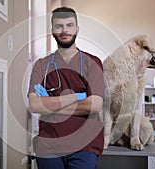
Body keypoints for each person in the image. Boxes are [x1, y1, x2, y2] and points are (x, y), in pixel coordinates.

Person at [28, 7, 104, 169]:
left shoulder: (93, 63)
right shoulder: (41, 65)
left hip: (85, 145)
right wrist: (78, 96)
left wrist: (49, 105)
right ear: (52, 31)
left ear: (77, 29)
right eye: (59, 26)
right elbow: (34, 105)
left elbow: (95, 105)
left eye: (69, 25)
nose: (64, 30)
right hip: (49, 145)